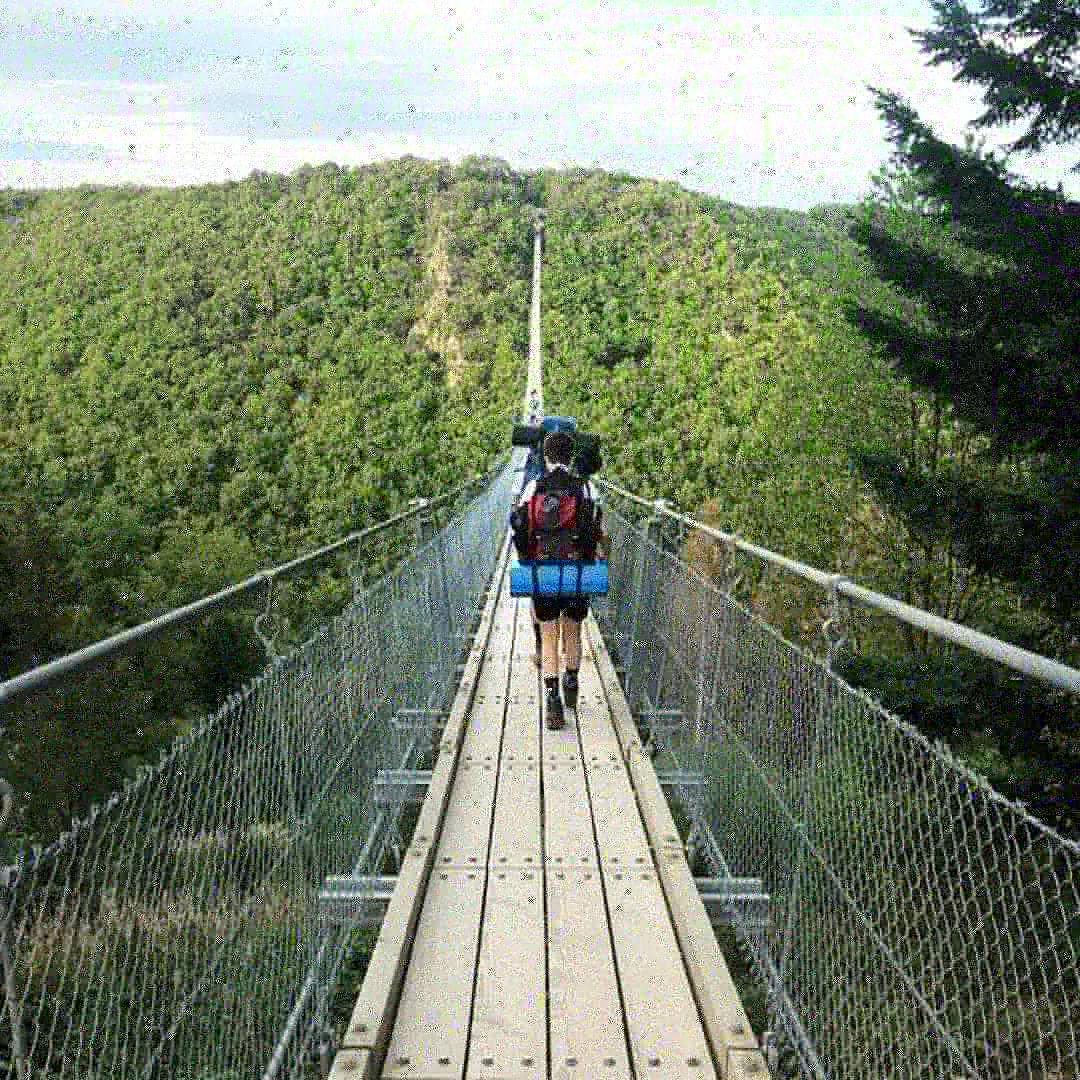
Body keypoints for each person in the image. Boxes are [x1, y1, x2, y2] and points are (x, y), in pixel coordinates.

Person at [512, 431, 607, 730]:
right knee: (573, 631)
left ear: (547, 457)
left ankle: (553, 702)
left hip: (545, 572)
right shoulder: (585, 488)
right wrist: (589, 559)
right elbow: (594, 529)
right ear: (570, 457)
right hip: (576, 570)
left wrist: (528, 559)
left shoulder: (534, 487)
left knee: (549, 634)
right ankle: (572, 682)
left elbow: (520, 528)